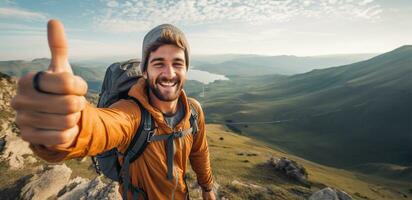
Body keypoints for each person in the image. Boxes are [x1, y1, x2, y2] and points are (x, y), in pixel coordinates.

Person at [11, 19, 215, 200]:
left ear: (186, 68)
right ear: (145, 70)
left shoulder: (194, 112)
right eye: (158, 63)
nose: (169, 73)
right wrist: (66, 127)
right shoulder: (131, 113)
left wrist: (206, 187)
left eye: (177, 63)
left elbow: (199, 152)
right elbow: (100, 126)